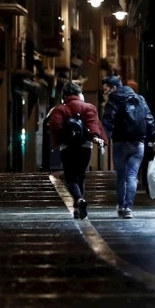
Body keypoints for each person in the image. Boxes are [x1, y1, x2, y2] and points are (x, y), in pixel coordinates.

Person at [100, 76, 155, 219]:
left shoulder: (113, 100)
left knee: (121, 176)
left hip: (120, 143)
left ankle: (120, 206)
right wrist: (154, 139)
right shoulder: (139, 99)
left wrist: (103, 139)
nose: (105, 93)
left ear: (114, 88)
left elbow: (108, 120)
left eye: (106, 90)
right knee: (132, 176)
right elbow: (149, 119)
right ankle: (128, 208)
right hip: (138, 143)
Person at [47, 83, 107, 220]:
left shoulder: (60, 109)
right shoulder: (88, 107)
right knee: (81, 176)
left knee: (71, 178)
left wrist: (60, 139)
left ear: (64, 96)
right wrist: (96, 138)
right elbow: (93, 124)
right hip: (85, 147)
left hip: (67, 148)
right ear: (79, 94)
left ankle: (79, 201)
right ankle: (78, 208)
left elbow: (55, 126)